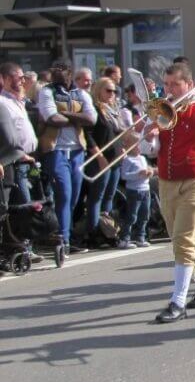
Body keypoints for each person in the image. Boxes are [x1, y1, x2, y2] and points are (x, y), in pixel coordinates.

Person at [144, 63, 195, 323]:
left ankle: (177, 302)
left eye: (174, 85)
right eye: (166, 85)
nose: (169, 90)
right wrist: (149, 136)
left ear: (188, 85)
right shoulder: (161, 112)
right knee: (183, 240)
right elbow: (150, 151)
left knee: (183, 239)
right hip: (167, 182)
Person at [37, 62, 96, 254]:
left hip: (77, 151)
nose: (56, 75)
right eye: (54, 71)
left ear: (69, 74)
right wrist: (77, 117)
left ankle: (65, 233)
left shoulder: (81, 94)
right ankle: (63, 240)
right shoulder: (47, 92)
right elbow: (51, 118)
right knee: (64, 193)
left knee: (74, 198)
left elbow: (91, 119)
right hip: (55, 150)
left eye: (60, 72)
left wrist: (65, 114)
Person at [83, 76, 128, 247]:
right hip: (100, 158)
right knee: (97, 196)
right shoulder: (95, 109)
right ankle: (93, 233)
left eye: (114, 91)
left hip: (114, 158)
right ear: (98, 90)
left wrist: (122, 148)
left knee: (109, 195)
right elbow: (89, 135)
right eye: (108, 90)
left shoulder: (112, 110)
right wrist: (99, 156)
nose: (112, 94)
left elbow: (117, 133)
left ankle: (106, 230)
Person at [0, 63, 38, 205]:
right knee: (25, 206)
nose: (23, 81)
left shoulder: (17, 101)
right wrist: (21, 155)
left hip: (30, 159)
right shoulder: (3, 102)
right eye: (20, 78)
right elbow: (7, 136)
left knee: (37, 203)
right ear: (8, 79)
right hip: (16, 160)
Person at [117, 131, 152, 249]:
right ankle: (124, 238)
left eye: (139, 145)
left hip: (145, 189)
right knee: (132, 216)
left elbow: (146, 169)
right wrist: (138, 174)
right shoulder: (128, 160)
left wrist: (149, 172)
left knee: (144, 215)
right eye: (136, 145)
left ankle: (141, 237)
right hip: (134, 190)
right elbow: (124, 175)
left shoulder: (142, 158)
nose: (138, 147)